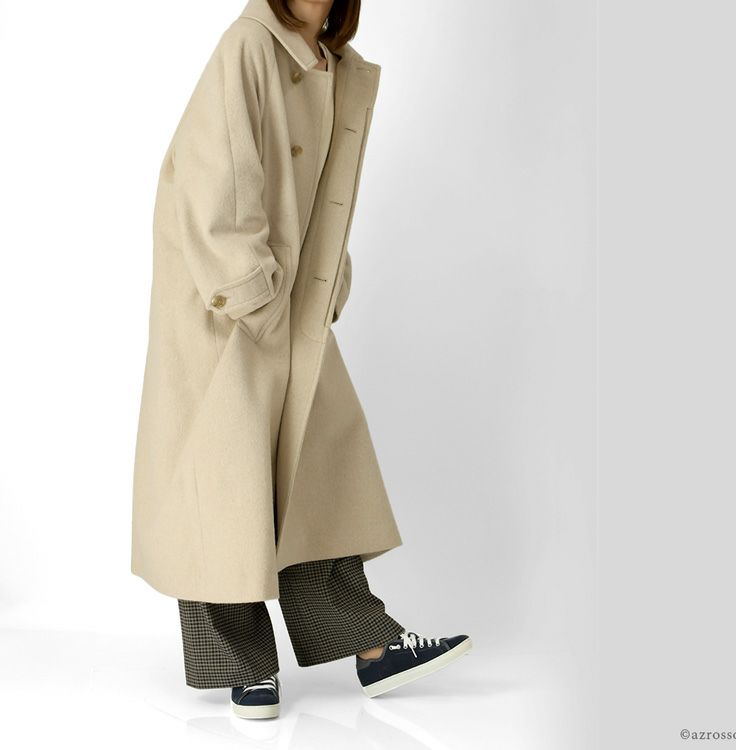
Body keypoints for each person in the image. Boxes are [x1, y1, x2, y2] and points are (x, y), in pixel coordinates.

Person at [131, 0, 472, 719]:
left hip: (292, 303)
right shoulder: (250, 45)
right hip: (228, 302)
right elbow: (209, 176)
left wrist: (327, 281)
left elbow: (325, 196)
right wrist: (252, 294)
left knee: (317, 470)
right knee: (224, 480)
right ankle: (242, 665)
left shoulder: (336, 63)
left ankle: (373, 648)